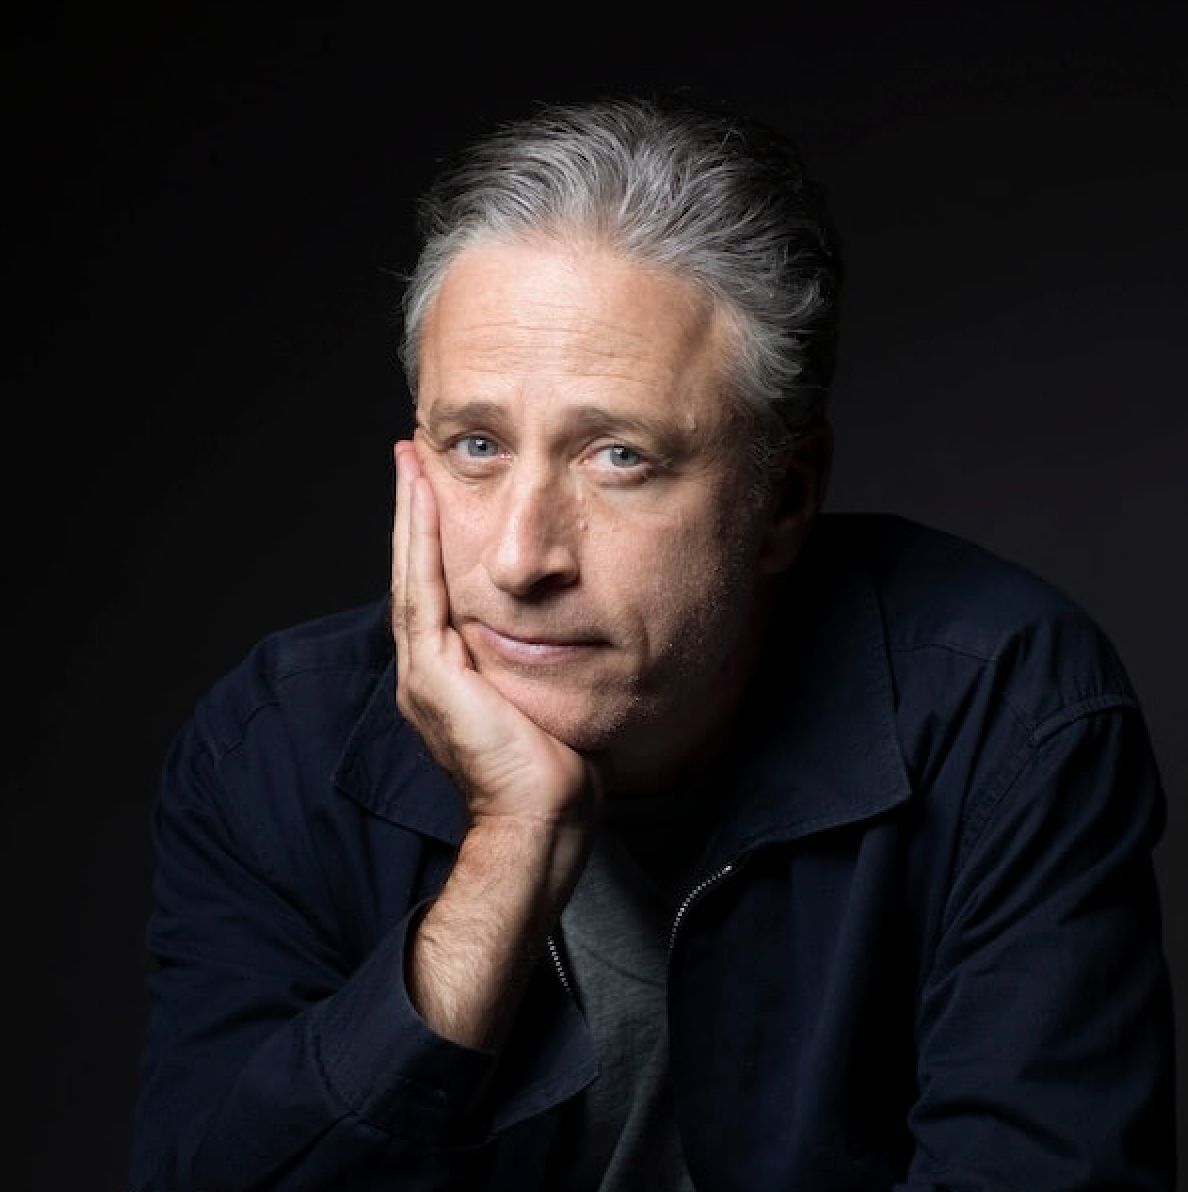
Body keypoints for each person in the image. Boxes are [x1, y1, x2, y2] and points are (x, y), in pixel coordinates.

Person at [128, 97, 1175, 1190]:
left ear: (784, 499)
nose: (521, 558)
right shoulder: (272, 749)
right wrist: (509, 850)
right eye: (476, 446)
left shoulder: (1007, 710)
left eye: (618, 456)